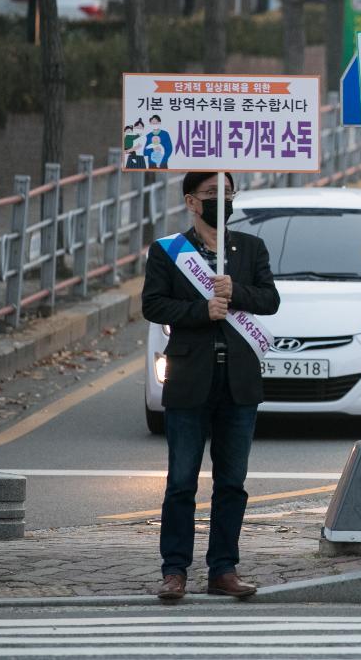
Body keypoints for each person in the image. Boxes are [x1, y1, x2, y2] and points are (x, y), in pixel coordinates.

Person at [141, 172, 280, 602]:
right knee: (181, 480)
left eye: (228, 192)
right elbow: (153, 304)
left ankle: (223, 568)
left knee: (232, 481)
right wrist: (202, 310)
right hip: (189, 377)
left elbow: (269, 299)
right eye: (211, 194)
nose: (222, 200)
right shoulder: (168, 252)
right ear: (191, 201)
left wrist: (236, 291)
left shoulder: (250, 248)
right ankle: (174, 570)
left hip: (239, 381)